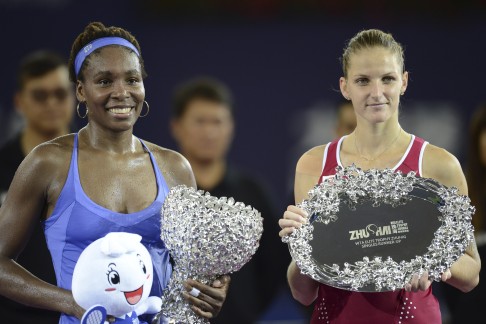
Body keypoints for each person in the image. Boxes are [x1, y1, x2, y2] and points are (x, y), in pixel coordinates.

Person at [0, 22, 229, 323]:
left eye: (132, 79)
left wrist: (213, 289)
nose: (121, 92)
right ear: (81, 91)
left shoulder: (175, 168)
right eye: (105, 81)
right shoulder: (48, 162)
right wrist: (73, 303)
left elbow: (196, 267)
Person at [278, 29, 481, 323]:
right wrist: (301, 249)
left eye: (387, 78)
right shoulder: (312, 165)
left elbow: (471, 272)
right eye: (363, 80)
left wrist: (436, 265)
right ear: (345, 87)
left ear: (404, 82)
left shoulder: (440, 165)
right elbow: (304, 293)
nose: (376, 92)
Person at [170, 77, 287, 323]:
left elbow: (274, 266)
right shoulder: (162, 194)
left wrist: (247, 310)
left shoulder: (253, 193)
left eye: (218, 122)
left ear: (231, 127)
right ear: (177, 126)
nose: (210, 132)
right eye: (200, 121)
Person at [0, 50, 75, 323]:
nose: (51, 103)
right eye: (40, 95)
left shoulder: (98, 164)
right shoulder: (2, 166)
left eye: (60, 93)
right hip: (12, 315)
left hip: (85, 312)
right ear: (20, 102)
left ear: (76, 95)